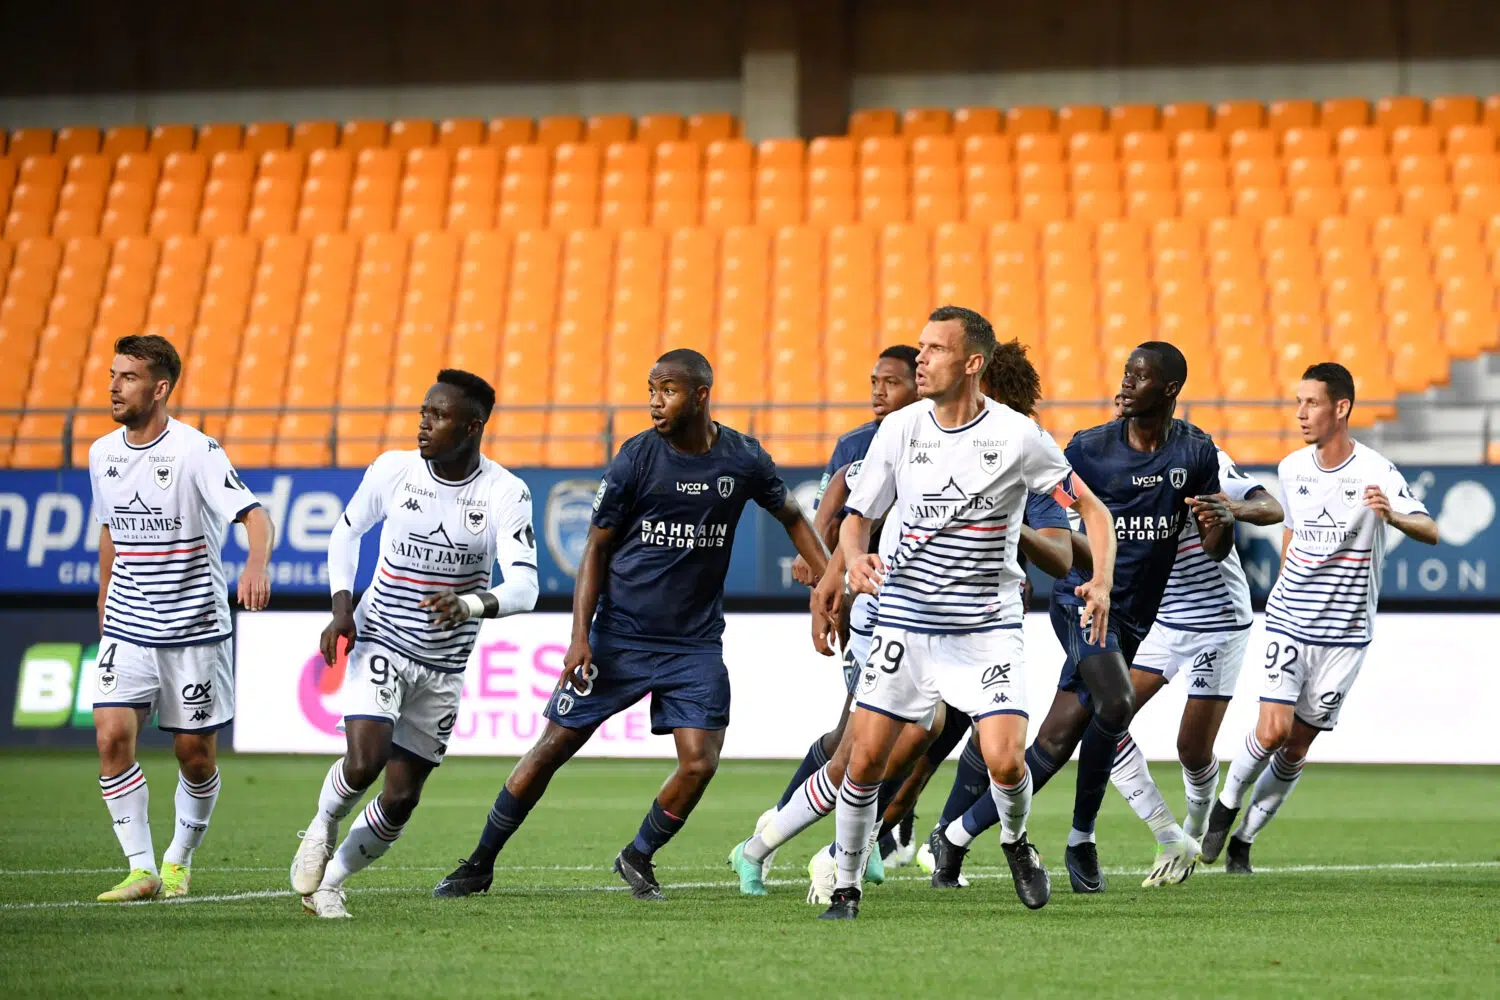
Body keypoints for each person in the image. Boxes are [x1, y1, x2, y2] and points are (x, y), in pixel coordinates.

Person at [433, 349, 829, 901]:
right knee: (550, 749)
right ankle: (479, 862)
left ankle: (638, 854)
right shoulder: (636, 459)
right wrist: (579, 638)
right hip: (618, 638)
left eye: (666, 390)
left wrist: (830, 580)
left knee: (701, 763)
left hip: (693, 645)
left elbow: (791, 515)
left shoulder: (742, 458)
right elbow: (595, 548)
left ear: (699, 395)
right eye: (650, 390)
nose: (654, 402)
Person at [817, 306, 1116, 920]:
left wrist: (1102, 582)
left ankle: (1013, 839)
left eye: (935, 349)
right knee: (865, 757)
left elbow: (1093, 511)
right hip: (906, 619)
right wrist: (852, 561)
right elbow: (857, 516)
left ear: (972, 363)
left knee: (1006, 760)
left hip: (986, 628)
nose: (920, 358)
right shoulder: (900, 430)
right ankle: (845, 888)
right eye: (920, 347)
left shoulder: (1016, 436)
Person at [927, 343, 1230, 895]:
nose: (1126, 383)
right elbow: (1044, 518)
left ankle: (954, 836)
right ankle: (1081, 839)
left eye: (1139, 377)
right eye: (1125, 373)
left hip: (1136, 613)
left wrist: (1222, 518)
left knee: (1057, 738)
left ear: (1169, 390)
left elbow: (1213, 543)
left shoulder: (1196, 452)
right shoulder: (1088, 450)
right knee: (1116, 702)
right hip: (1080, 600)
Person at [291, 369, 538, 918]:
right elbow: (345, 533)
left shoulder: (504, 491)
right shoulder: (394, 470)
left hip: (444, 665)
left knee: (401, 798)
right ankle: (322, 824)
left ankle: (329, 884)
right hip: (382, 637)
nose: (423, 423)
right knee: (364, 761)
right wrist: (341, 609)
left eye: (439, 415)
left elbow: (525, 586)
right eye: (423, 411)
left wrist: (471, 604)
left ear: (473, 427)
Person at [1200, 362, 1436, 873]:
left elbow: (1429, 528)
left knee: (1296, 747)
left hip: (1346, 636)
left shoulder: (1376, 471)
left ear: (1341, 408)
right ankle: (1225, 805)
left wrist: (1392, 516)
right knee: (1271, 730)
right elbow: (1292, 533)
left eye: (1311, 403)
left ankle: (1245, 839)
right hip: (1290, 619)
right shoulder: (1292, 468)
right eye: (1299, 402)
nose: (1301, 413)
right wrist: (1294, 586)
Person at [88, 334, 274, 902]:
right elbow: (108, 527)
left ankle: (178, 859)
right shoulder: (102, 453)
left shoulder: (197, 451)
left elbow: (256, 515)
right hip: (127, 623)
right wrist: (102, 594)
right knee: (112, 735)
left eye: (128, 377)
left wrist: (256, 566)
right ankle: (141, 868)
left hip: (194, 630)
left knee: (193, 756)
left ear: (160, 388)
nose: (114, 386)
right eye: (114, 374)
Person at [749, 345, 920, 878]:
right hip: (871, 606)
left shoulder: (939, 437)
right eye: (874, 381)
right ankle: (782, 831)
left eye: (889, 382)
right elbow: (827, 518)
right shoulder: (855, 447)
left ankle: (859, 836)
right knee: (858, 733)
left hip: (926, 607)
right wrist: (826, 585)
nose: (877, 392)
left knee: (901, 730)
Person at [1105, 392, 1284, 865]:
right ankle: (1168, 834)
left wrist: (1233, 511)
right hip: (1161, 619)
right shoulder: (1108, 465)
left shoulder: (1200, 457)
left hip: (1218, 622)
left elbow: (1271, 507)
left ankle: (1198, 820)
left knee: (1191, 748)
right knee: (1105, 721)